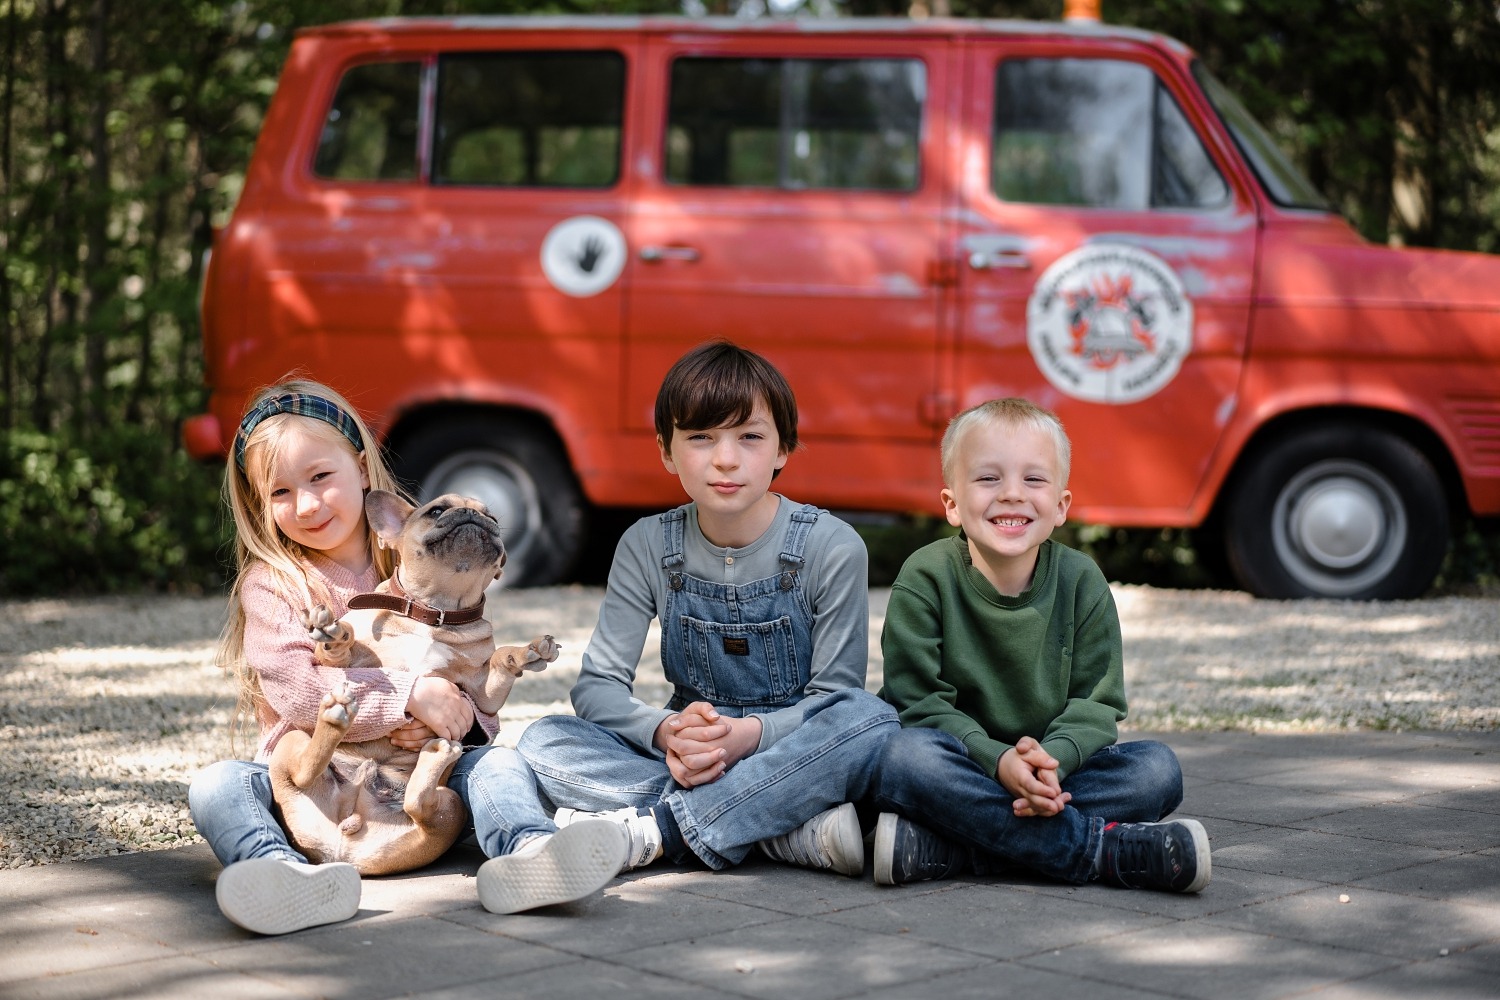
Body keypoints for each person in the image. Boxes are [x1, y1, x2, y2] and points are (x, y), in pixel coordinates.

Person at [187, 378, 626, 935]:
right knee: (218, 785)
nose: (306, 504)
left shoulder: (423, 554)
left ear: (364, 472)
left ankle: (531, 851)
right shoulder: (272, 585)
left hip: (409, 788)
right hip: (310, 789)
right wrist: (410, 697)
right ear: (260, 503)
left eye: (321, 477)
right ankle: (279, 872)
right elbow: (300, 694)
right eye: (279, 493)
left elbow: (466, 691)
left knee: (498, 762)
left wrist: (458, 727)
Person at [516, 341, 898, 876]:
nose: (725, 458)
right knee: (542, 740)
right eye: (700, 437)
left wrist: (749, 737)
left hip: (791, 749)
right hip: (690, 757)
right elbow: (597, 686)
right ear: (667, 452)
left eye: (750, 437)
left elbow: (835, 703)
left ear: (783, 448)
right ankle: (781, 831)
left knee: (871, 718)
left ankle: (660, 829)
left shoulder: (832, 546)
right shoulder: (646, 544)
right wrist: (666, 731)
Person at [867, 398, 1211, 892]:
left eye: (1033, 480)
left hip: (1052, 775)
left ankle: (954, 848)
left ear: (1061, 506)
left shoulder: (1081, 581)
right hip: (962, 764)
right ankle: (1101, 851)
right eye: (988, 479)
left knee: (1157, 770)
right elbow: (917, 703)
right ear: (951, 504)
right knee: (902, 759)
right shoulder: (925, 577)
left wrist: (1050, 763)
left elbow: (1096, 705)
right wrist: (998, 762)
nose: (1012, 495)